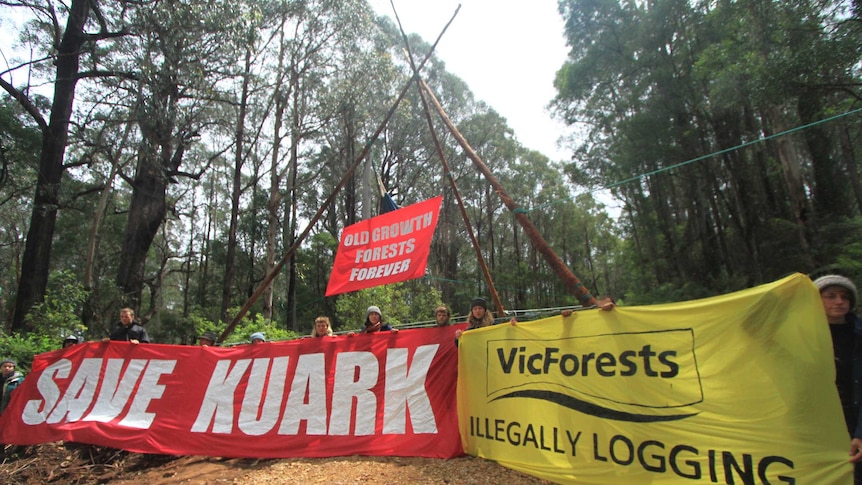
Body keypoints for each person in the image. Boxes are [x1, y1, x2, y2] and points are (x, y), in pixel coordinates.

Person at [813, 274, 862, 483]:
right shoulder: (802, 335)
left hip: (856, 425)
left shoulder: (858, 335)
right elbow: (751, 328)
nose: (839, 302)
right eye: (830, 296)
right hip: (820, 429)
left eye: (844, 297)